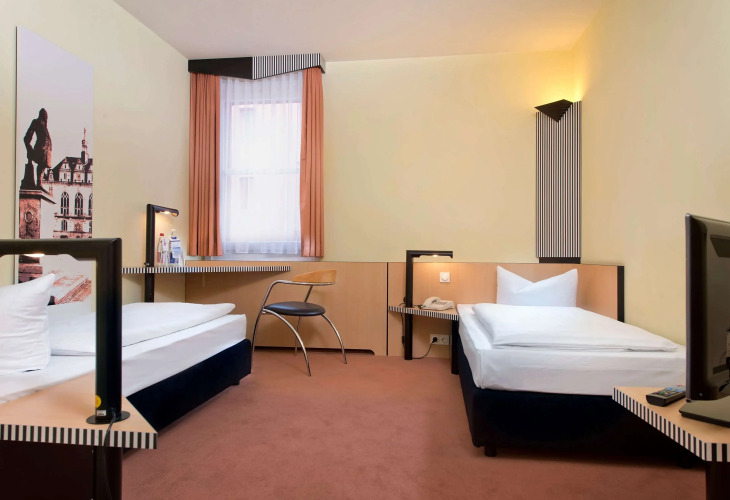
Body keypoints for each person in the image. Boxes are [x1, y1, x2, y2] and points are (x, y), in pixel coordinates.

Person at [23, 108, 52, 190]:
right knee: (41, 165)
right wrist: (29, 148)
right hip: (40, 148)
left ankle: (40, 184)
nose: (46, 117)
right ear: (42, 115)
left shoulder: (44, 126)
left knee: (43, 166)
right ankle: (39, 184)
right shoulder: (36, 122)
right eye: (45, 115)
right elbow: (27, 137)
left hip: (46, 150)